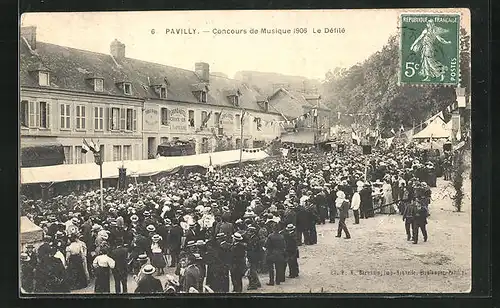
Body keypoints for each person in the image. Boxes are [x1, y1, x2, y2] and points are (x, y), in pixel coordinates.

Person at [245, 226, 262, 290]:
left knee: (252, 271)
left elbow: (253, 249)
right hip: (253, 256)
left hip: (253, 257)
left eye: (249, 231)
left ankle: (253, 285)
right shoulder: (253, 238)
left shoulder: (255, 239)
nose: (248, 233)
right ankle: (257, 282)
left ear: (252, 232)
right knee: (253, 270)